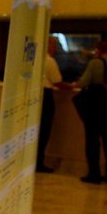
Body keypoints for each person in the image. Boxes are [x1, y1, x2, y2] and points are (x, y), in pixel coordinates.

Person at [75, 37, 107, 184]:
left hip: (95, 105)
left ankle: (94, 173)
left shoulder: (95, 63)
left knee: (92, 140)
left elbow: (83, 82)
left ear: (98, 50)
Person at [36, 35, 67, 173]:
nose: (56, 49)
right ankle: (39, 162)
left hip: (36, 97)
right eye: (54, 45)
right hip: (46, 97)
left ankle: (35, 161)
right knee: (43, 131)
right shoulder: (49, 61)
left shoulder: (36, 60)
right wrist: (73, 86)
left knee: (37, 132)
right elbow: (57, 82)